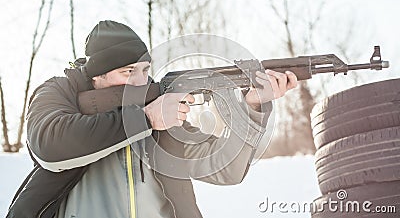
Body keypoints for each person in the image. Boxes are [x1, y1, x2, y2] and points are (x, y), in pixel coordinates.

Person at [7, 20, 297, 218]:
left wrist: (253, 106)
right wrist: (145, 119)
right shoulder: (61, 92)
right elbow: (50, 147)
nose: (140, 81)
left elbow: (225, 170)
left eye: (145, 70)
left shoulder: (159, 109)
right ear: (98, 76)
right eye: (128, 71)